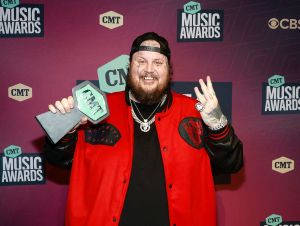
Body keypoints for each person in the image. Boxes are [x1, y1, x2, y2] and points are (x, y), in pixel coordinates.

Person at [45, 32, 243, 226]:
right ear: (129, 67)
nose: (149, 70)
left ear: (169, 70)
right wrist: (65, 128)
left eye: (158, 63)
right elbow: (60, 159)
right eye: (141, 61)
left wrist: (218, 124)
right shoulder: (97, 108)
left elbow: (231, 164)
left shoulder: (195, 111)